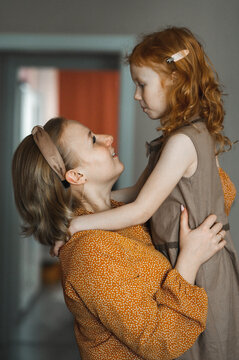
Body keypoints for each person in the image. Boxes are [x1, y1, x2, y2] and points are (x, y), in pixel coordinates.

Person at [67, 27, 239, 359]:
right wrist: (80, 214)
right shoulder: (176, 140)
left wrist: (76, 227)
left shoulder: (182, 143)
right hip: (187, 259)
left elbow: (142, 210)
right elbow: (135, 193)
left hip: (198, 266)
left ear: (175, 80)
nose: (135, 95)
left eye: (142, 84)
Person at [12, 117, 226, 360]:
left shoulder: (119, 214)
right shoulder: (90, 254)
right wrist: (190, 260)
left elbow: (207, 205)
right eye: (93, 140)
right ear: (76, 176)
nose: (108, 138)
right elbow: (159, 342)